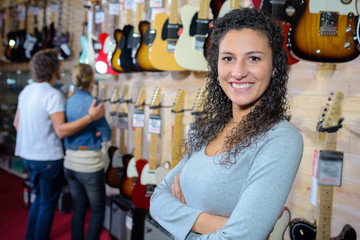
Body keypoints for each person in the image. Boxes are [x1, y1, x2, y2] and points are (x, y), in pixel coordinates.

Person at [149, 8, 304, 240]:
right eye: (228, 58)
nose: (238, 72)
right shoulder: (212, 128)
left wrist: (183, 222)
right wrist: (215, 223)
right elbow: (157, 198)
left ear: (274, 67)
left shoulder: (281, 139)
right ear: (216, 66)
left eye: (254, 58)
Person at [13, 49, 105, 240]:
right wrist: (90, 117)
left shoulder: (26, 91)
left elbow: (16, 124)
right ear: (54, 69)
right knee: (47, 205)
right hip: (47, 159)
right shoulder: (52, 95)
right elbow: (61, 130)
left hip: (28, 157)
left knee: (39, 200)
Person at [63, 63, 111, 240]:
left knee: (79, 207)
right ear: (92, 81)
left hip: (70, 163)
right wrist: (98, 131)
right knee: (98, 210)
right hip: (89, 165)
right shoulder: (94, 103)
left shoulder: (68, 101)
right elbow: (106, 134)